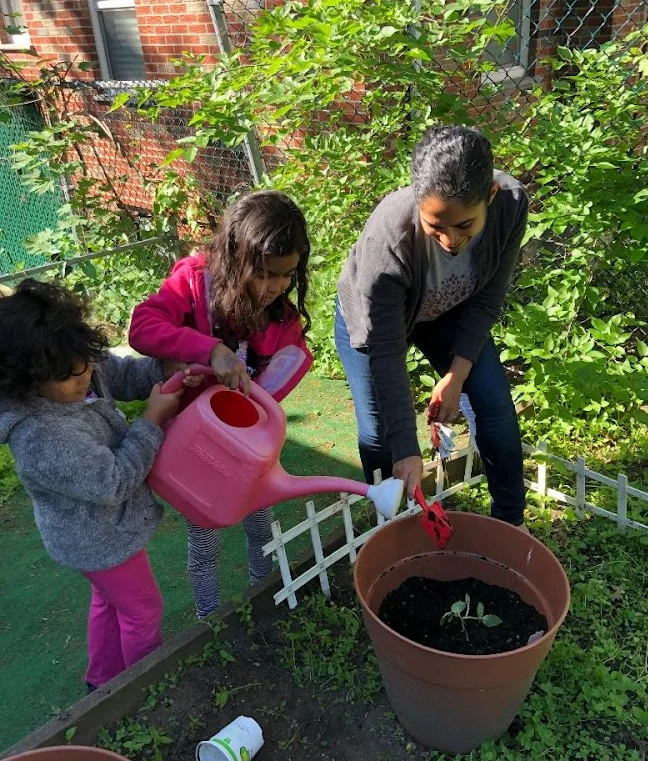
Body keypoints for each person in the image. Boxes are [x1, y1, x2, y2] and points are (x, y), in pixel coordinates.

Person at [130, 189, 313, 618]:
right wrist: (209, 349)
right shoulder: (195, 280)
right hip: (199, 449)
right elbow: (143, 326)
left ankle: (263, 596)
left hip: (249, 451)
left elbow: (279, 375)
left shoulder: (283, 318)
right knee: (205, 534)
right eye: (266, 274)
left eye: (287, 275)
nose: (276, 287)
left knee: (260, 522)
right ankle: (208, 620)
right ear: (235, 257)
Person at [335, 125, 528, 527]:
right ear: (418, 201)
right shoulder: (387, 239)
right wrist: (405, 446)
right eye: (435, 226)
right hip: (376, 320)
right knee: (379, 433)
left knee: (494, 407)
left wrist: (456, 376)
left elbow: (488, 300)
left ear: (489, 196)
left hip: (448, 309)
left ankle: (512, 526)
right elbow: (386, 352)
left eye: (464, 226)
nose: (449, 240)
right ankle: (394, 527)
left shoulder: (510, 205)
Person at [0, 280, 186, 689]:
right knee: (143, 611)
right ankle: (144, 691)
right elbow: (113, 480)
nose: (84, 375)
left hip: (101, 532)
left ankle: (102, 683)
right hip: (97, 538)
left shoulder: (73, 364)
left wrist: (163, 369)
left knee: (110, 602)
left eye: (84, 360)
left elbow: (119, 372)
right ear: (28, 382)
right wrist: (151, 421)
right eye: (68, 376)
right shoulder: (40, 436)